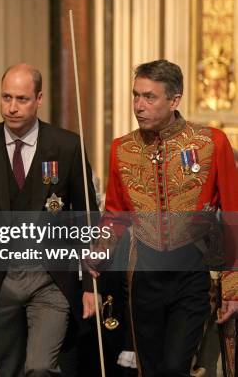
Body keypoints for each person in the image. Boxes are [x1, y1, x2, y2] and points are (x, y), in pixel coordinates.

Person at [90, 59, 238, 376]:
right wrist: (99, 249)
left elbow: (232, 216)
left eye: (149, 97)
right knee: (152, 369)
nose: (138, 106)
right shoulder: (122, 148)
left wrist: (233, 287)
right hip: (144, 277)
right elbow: (115, 214)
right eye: (135, 96)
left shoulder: (212, 143)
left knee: (175, 368)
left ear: (174, 100)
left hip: (193, 277)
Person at [0, 63, 97, 377]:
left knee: (40, 367)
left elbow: (87, 217)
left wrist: (92, 284)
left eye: (22, 99)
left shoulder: (67, 146)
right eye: (6, 97)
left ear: (39, 99)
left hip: (51, 280)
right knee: (10, 370)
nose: (12, 107)